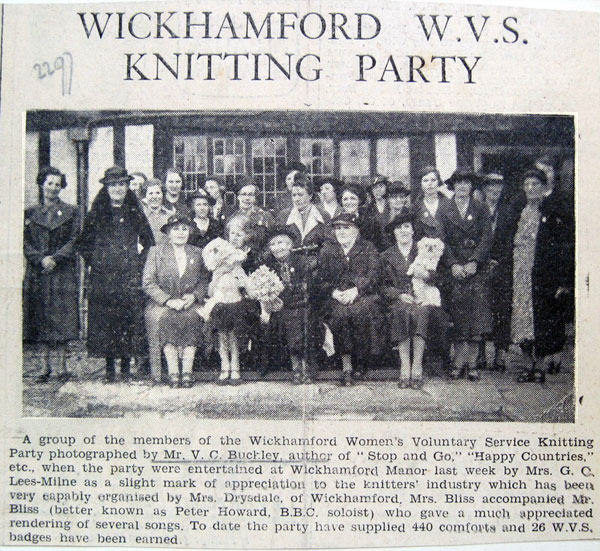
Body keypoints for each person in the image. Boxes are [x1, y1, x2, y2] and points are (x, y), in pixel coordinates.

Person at [493, 168, 572, 383]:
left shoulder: (553, 211)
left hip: (543, 276)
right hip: (520, 274)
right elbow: (506, 240)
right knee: (521, 320)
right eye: (527, 185)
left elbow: (564, 248)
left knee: (542, 320)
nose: (530, 189)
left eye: (535, 184)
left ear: (544, 187)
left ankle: (540, 367)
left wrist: (563, 280)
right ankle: (528, 365)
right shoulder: (519, 210)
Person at [76, 166, 154, 382]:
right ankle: (110, 369)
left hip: (128, 275)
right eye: (113, 185)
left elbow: (149, 241)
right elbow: (83, 243)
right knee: (106, 320)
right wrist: (97, 261)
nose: (118, 188)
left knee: (127, 319)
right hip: (103, 277)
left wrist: (138, 263)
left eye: (122, 184)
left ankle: (126, 368)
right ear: (107, 188)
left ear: (128, 186)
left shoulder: (134, 212)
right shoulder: (97, 212)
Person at [315, 212, 385, 386]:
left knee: (360, 311)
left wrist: (357, 290)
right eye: (338, 228)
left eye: (346, 228)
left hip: (363, 295)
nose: (342, 232)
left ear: (356, 230)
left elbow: (375, 275)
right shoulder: (328, 250)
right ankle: (347, 366)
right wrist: (333, 292)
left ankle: (361, 361)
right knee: (340, 315)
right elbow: (321, 279)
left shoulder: (367, 248)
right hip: (337, 297)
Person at [24, 166, 79, 382]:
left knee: (61, 319)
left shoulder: (71, 211)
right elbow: (24, 242)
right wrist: (41, 259)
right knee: (39, 318)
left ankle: (61, 368)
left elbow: (75, 239)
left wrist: (55, 258)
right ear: (41, 184)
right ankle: (43, 368)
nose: (53, 188)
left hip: (61, 271)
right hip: (38, 272)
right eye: (49, 183)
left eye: (58, 184)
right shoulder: (30, 213)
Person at [142, 214, 209, 387]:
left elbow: (204, 279)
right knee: (166, 318)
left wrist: (194, 296)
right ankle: (173, 373)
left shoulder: (197, 252)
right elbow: (148, 283)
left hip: (189, 303)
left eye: (184, 229)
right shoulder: (156, 252)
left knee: (192, 317)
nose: (180, 233)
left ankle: (187, 371)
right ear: (169, 233)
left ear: (190, 231)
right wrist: (168, 301)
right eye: (176, 229)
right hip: (162, 304)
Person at [439, 168, 493, 381]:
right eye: (458, 182)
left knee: (476, 315)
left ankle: (472, 363)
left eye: (466, 182)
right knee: (458, 315)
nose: (462, 186)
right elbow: (440, 239)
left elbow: (487, 237)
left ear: (472, 186)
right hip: (453, 269)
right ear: (453, 185)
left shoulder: (480, 208)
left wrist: (474, 261)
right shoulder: (445, 208)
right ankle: (457, 362)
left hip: (475, 269)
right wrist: (452, 264)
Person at [381, 211, 445, 389]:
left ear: (413, 230)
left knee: (422, 312)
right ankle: (405, 365)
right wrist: (398, 295)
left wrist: (427, 275)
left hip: (423, 297)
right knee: (401, 311)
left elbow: (439, 274)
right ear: (394, 232)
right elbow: (382, 285)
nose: (403, 231)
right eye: (399, 228)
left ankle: (417, 364)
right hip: (399, 299)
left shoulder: (425, 247)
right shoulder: (386, 255)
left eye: (406, 227)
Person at [261, 226, 316, 384]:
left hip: (302, 306)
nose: (277, 247)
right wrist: (270, 300)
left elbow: (306, 290)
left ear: (290, 245)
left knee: (299, 318)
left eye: (281, 243)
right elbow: (263, 289)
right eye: (273, 244)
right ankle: (296, 367)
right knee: (288, 319)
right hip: (280, 309)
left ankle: (305, 365)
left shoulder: (301, 262)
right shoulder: (268, 265)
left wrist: (284, 299)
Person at [478, 172, 511, 371]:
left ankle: (500, 354)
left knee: (502, 309)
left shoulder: (507, 211)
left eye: (498, 187)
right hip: (481, 266)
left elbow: (511, 239)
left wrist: (498, 261)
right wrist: (483, 260)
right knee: (481, 309)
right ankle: (480, 353)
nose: (495, 190)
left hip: (502, 266)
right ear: (484, 189)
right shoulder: (478, 210)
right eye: (491, 186)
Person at [275, 177, 326, 251]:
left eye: (300, 195)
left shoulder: (323, 215)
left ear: (310, 196)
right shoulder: (284, 216)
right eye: (294, 195)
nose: (296, 199)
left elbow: (328, 244)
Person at [229, 175, 274, 249]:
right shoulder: (233, 218)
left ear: (255, 197)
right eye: (243, 194)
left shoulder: (265, 216)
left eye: (251, 195)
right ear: (238, 196)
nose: (247, 198)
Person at [339, 183, 385, 251]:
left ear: (359, 200)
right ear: (341, 202)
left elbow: (380, 245)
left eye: (353, 198)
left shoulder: (371, 222)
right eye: (345, 199)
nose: (349, 202)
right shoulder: (336, 222)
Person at [140, 178, 172, 246]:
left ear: (163, 194)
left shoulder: (170, 215)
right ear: (145, 195)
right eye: (150, 193)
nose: (154, 197)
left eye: (158, 193)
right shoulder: (140, 216)